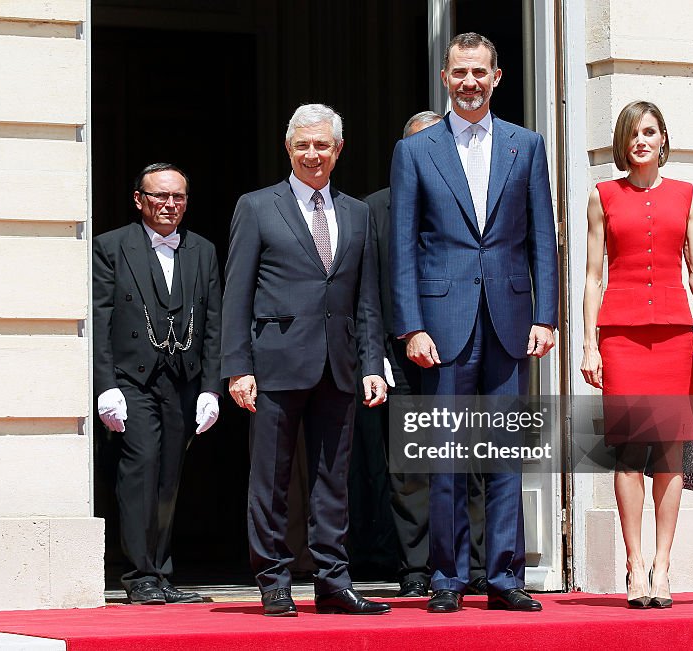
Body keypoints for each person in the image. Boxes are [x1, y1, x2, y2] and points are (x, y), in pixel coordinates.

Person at [390, 33, 559, 613]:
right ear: (444, 78)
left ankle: (505, 577)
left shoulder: (526, 145)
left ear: (497, 77)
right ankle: (447, 578)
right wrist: (410, 324)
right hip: (442, 323)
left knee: (507, 452)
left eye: (479, 72)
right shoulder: (415, 151)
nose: (469, 82)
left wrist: (547, 314)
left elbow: (543, 238)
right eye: (459, 72)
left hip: (511, 321)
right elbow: (404, 247)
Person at [222, 104, 390, 617]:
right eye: (303, 146)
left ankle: (332, 582)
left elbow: (367, 300)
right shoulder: (257, 206)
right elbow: (237, 292)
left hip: (338, 367)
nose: (312, 154)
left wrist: (371, 363)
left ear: (338, 150)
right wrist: (237, 365)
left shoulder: (358, 213)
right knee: (270, 478)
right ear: (288, 149)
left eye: (322, 145)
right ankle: (272, 579)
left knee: (331, 481)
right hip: (274, 362)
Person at [580, 100, 693, 609]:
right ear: (623, 142)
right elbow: (594, 275)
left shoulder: (686, 195)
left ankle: (663, 565)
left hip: (675, 337)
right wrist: (590, 344)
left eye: (650, 132)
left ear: (663, 139)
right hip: (621, 335)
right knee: (628, 452)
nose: (641, 140)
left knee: (669, 454)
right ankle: (634, 563)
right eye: (633, 133)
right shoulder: (603, 197)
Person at [365, 110, 496, 600]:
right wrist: (377, 351)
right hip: (400, 353)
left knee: (472, 456)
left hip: (463, 345)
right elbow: (367, 291)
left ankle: (478, 563)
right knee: (411, 465)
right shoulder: (373, 210)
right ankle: (417, 565)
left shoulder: (469, 203)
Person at [92, 163, 222, 605]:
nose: (170, 205)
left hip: (182, 380)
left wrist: (211, 387)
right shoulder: (111, 247)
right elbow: (100, 319)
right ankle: (139, 574)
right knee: (140, 470)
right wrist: (105, 385)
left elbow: (213, 325)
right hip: (133, 379)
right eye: (160, 197)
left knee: (169, 476)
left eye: (179, 197)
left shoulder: (202, 250)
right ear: (139, 199)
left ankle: (162, 572)